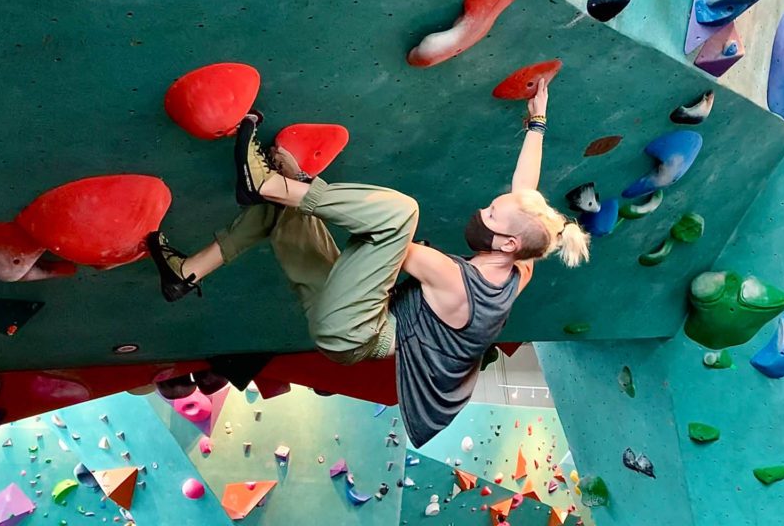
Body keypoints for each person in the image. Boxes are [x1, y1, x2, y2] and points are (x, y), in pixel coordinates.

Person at [147, 78, 589, 446]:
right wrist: (537, 122)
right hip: (358, 320)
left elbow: (380, 236)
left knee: (401, 214)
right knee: (293, 213)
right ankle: (185, 273)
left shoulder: (457, 280)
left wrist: (303, 183)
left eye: (491, 215)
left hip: (356, 330)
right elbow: (523, 190)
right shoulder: (519, 268)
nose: (484, 212)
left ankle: (265, 183)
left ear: (508, 242)